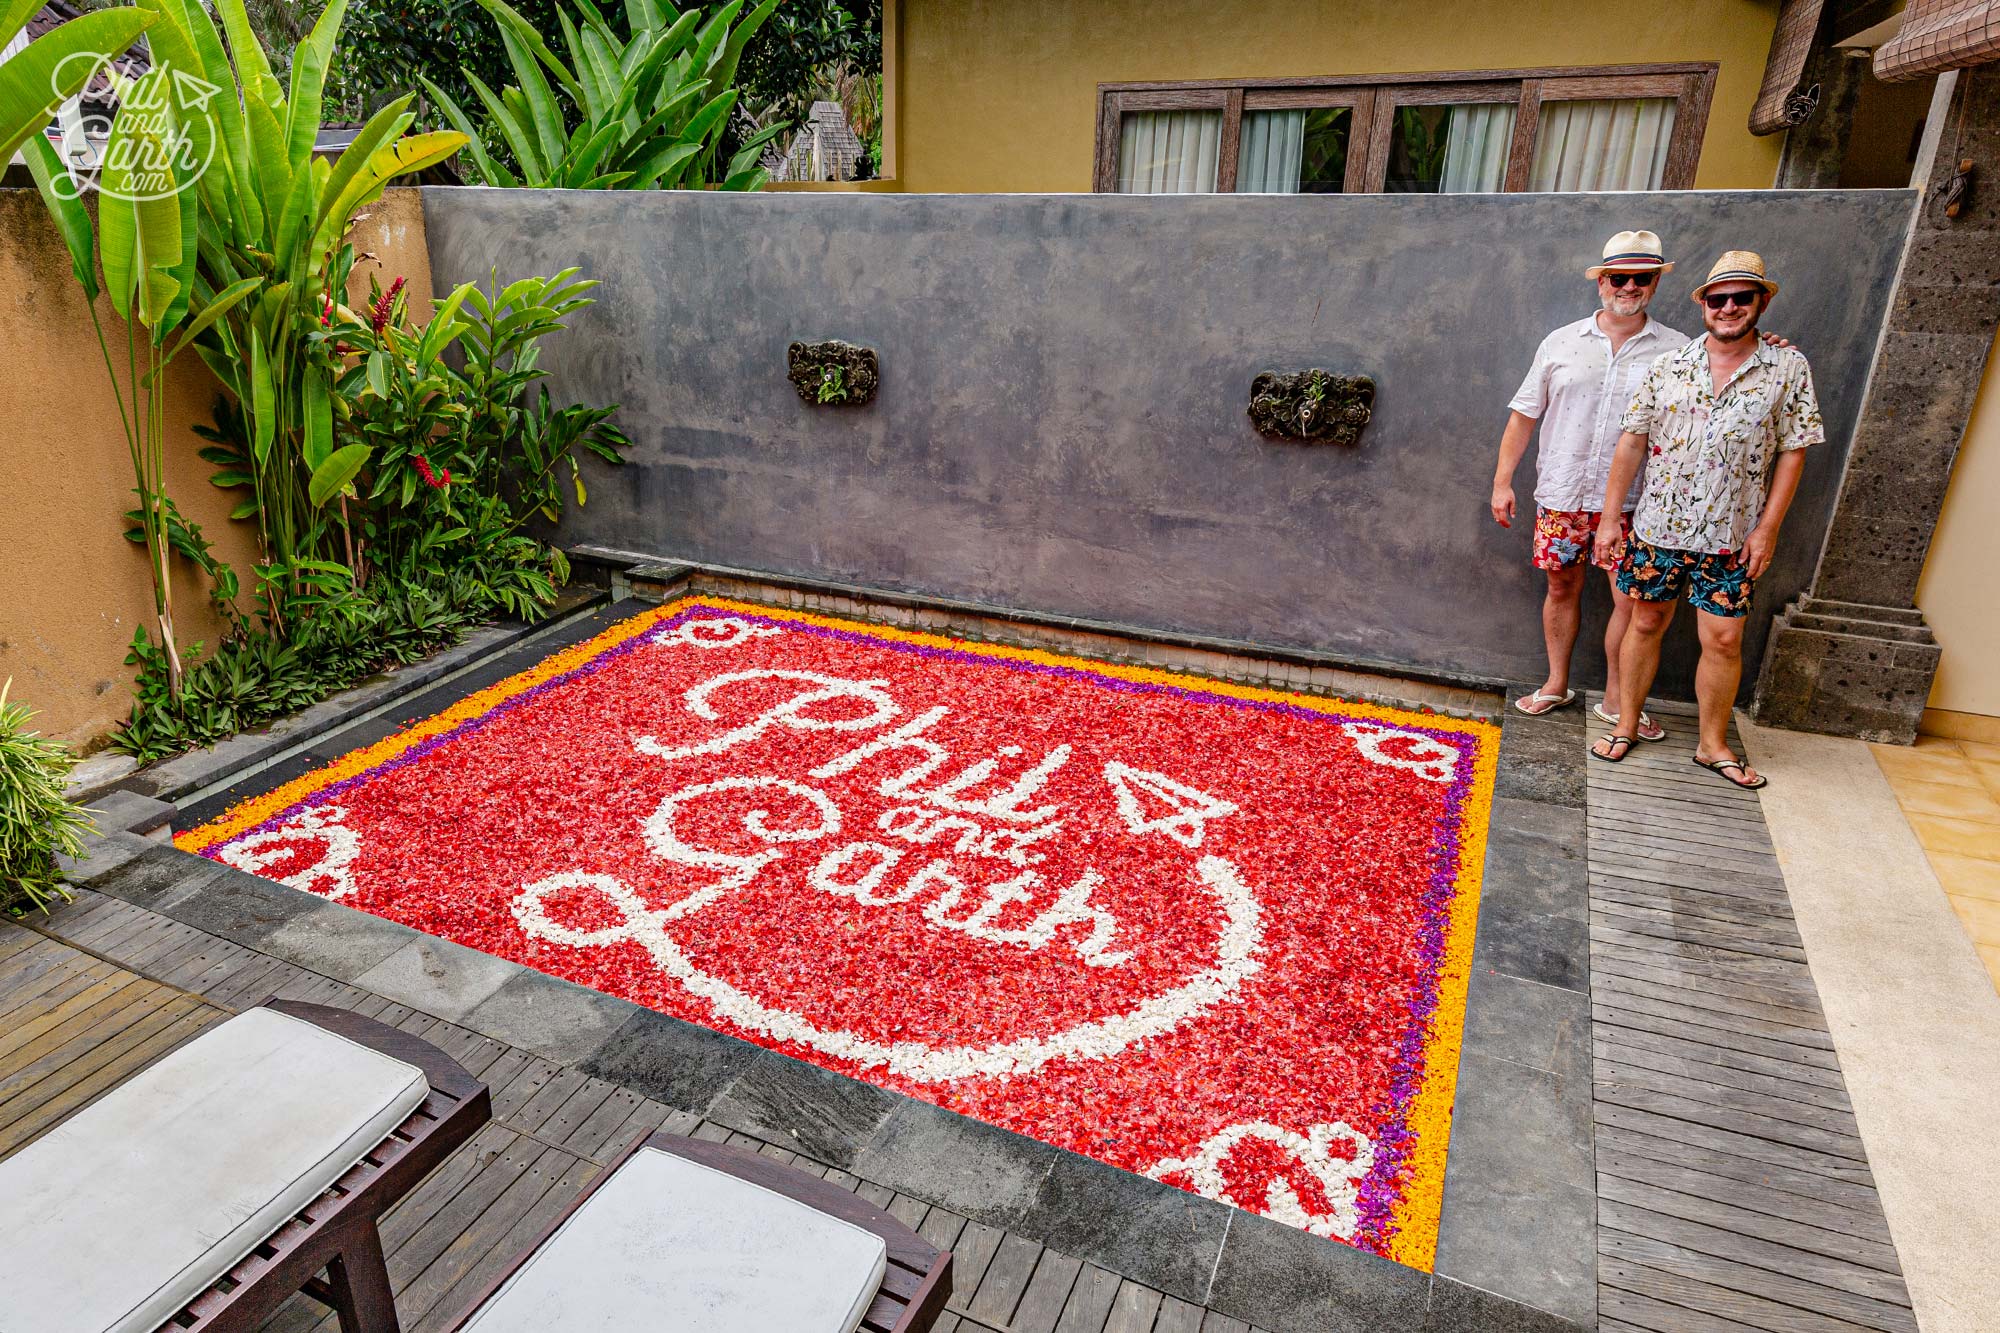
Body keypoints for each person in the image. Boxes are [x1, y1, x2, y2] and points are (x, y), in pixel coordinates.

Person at [1589, 251, 1823, 789]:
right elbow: (1631, 443)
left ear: (1762, 302)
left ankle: (1712, 744)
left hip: (1732, 537)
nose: (1730, 307)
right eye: (1719, 298)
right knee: (1644, 622)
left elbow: (1794, 450)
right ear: (1703, 305)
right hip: (1657, 527)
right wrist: (1609, 520)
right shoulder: (1668, 364)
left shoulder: (1788, 368)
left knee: (1722, 640)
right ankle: (1625, 723)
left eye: (1743, 296)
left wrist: (1768, 528)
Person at [1491, 230, 1683, 739]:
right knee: (1561, 585)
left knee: (1629, 600)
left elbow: (1730, 360)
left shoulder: (1678, 351)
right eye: (1618, 277)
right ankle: (1556, 683)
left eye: (1640, 279)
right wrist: (1502, 483)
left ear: (1654, 285)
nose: (1628, 287)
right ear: (1602, 281)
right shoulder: (1561, 342)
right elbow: (1523, 416)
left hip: (1634, 505)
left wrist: (1770, 345)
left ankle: (1620, 701)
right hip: (1563, 493)